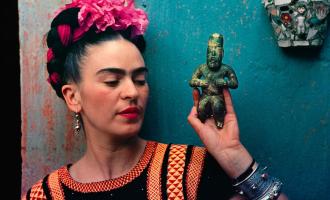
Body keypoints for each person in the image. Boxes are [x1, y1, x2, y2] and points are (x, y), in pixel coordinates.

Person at [23, 0, 288, 199]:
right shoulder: (43, 195)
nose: (132, 92)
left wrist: (234, 156)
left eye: (140, 80)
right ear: (73, 97)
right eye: (112, 80)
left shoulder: (188, 172)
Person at [189, 33, 238, 129]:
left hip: (218, 96)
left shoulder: (225, 69)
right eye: (210, 53)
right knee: (201, 108)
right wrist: (200, 82)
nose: (212, 56)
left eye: (216, 53)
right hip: (205, 95)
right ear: (206, 54)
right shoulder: (202, 68)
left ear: (222, 54)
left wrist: (225, 82)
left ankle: (219, 120)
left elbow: (235, 83)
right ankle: (202, 119)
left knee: (218, 107)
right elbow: (192, 81)